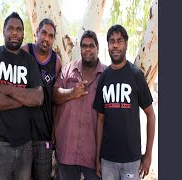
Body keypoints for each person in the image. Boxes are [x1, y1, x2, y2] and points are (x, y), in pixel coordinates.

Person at [0, 12, 44, 180]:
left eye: (19, 29)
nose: (15, 32)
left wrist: (7, 89)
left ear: (24, 33)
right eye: (11, 28)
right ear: (4, 31)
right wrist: (25, 99)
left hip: (25, 145)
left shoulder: (29, 60)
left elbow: (38, 98)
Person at [93, 24, 156, 180]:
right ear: (107, 45)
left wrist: (148, 154)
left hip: (132, 159)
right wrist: (97, 158)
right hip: (107, 159)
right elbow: (100, 119)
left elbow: (151, 115)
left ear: (126, 44)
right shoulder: (104, 77)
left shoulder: (136, 75)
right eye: (112, 41)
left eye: (119, 41)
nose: (115, 45)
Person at [52, 30, 107, 180]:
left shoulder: (107, 75)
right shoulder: (69, 69)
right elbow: (54, 95)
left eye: (91, 46)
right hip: (67, 150)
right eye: (84, 46)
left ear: (97, 48)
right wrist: (71, 92)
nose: (87, 49)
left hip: (93, 154)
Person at [21, 18, 62, 180]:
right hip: (22, 134)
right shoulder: (25, 51)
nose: (46, 38)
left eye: (51, 36)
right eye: (43, 33)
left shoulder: (56, 61)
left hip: (44, 134)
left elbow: (56, 98)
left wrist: (54, 129)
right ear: (36, 33)